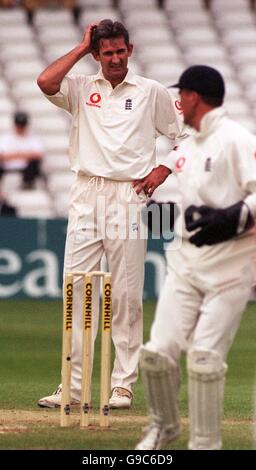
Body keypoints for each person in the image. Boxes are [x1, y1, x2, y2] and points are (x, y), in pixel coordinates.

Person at [36, 19, 188, 410]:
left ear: (130, 50)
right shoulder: (82, 87)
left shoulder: (150, 91)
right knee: (77, 290)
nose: (116, 58)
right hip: (86, 191)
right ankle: (72, 387)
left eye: (121, 51)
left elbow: (186, 135)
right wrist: (80, 47)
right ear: (96, 54)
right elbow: (45, 82)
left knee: (125, 294)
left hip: (130, 194)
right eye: (108, 53)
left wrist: (163, 169)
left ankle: (122, 385)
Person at [136, 65, 256, 450]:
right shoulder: (187, 146)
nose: (177, 102)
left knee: (204, 358)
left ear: (194, 97)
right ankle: (163, 428)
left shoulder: (237, 139)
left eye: (181, 95)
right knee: (156, 355)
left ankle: (204, 444)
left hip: (231, 266)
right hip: (186, 264)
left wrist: (231, 218)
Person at [0, 111, 44, 190]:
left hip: (26, 168)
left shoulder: (33, 138)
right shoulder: (6, 138)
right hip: (7, 167)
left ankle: (27, 184)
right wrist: (26, 155)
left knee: (35, 164)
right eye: (19, 125)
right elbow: (2, 156)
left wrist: (14, 155)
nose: (20, 127)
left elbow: (39, 155)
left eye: (22, 125)